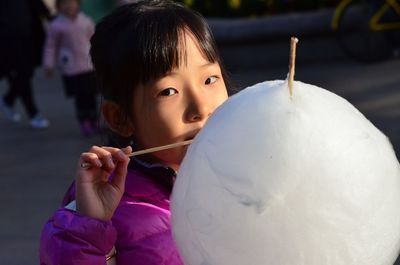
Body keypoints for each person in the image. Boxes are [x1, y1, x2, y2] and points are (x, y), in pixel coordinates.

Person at [39, 1, 232, 264]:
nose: (201, 107)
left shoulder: (242, 174)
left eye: (209, 79)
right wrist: (89, 227)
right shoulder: (105, 211)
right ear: (120, 118)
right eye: (168, 91)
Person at [43, 0, 98, 136]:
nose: (69, 6)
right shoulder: (56, 25)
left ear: (78, 4)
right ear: (58, 6)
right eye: (64, 4)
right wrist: (48, 64)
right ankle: (84, 121)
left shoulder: (86, 21)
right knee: (80, 98)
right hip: (71, 69)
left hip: (88, 66)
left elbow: (95, 41)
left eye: (72, 3)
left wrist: (100, 58)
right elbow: (50, 46)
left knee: (91, 96)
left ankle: (94, 120)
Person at [0, 0, 50, 128]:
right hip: (6, 40)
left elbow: (39, 7)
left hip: (27, 38)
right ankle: (33, 113)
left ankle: (8, 100)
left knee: (26, 73)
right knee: (21, 75)